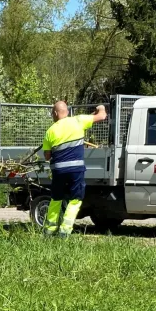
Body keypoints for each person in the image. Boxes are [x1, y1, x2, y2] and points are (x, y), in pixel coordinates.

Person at [42, 101, 108, 236]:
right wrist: (100, 107)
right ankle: (65, 231)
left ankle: (49, 230)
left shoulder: (50, 131)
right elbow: (102, 116)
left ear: (55, 113)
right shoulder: (78, 121)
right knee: (75, 198)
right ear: (67, 111)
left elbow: (47, 156)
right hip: (75, 170)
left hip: (58, 171)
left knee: (56, 198)